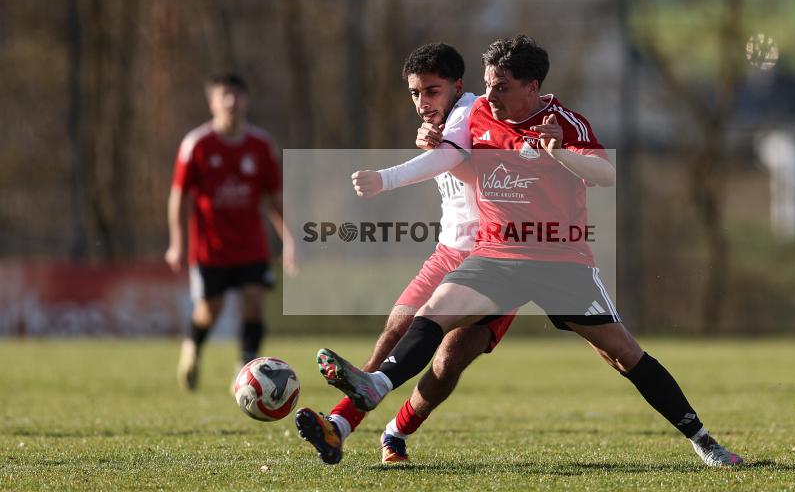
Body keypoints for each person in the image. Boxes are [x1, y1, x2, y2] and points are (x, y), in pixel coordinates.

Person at [317, 35, 744, 467]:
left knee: (623, 354)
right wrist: (425, 148)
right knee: (432, 313)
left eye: (501, 86)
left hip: (560, 261)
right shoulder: (477, 113)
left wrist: (560, 154)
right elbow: (453, 156)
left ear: (532, 87)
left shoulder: (565, 122)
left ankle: (703, 440)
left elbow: (605, 175)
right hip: (495, 255)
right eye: (487, 84)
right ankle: (377, 385)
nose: (490, 95)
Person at [294, 43, 515, 465]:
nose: (421, 102)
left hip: (498, 257)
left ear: (457, 87)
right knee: (396, 326)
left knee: (448, 361)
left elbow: (455, 162)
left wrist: (385, 178)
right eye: (414, 93)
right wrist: (437, 150)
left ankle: (396, 431)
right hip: (450, 251)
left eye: (431, 91)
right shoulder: (442, 124)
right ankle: (338, 427)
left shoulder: (473, 111)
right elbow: (453, 164)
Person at [166, 73, 295, 391]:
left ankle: (247, 368)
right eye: (224, 95)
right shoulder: (196, 144)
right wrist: (177, 243)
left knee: (254, 299)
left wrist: (289, 239)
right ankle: (192, 348)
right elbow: (178, 197)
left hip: (251, 244)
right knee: (211, 309)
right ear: (211, 103)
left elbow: (274, 199)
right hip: (211, 247)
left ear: (246, 100)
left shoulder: (261, 146)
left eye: (236, 95)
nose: (231, 101)